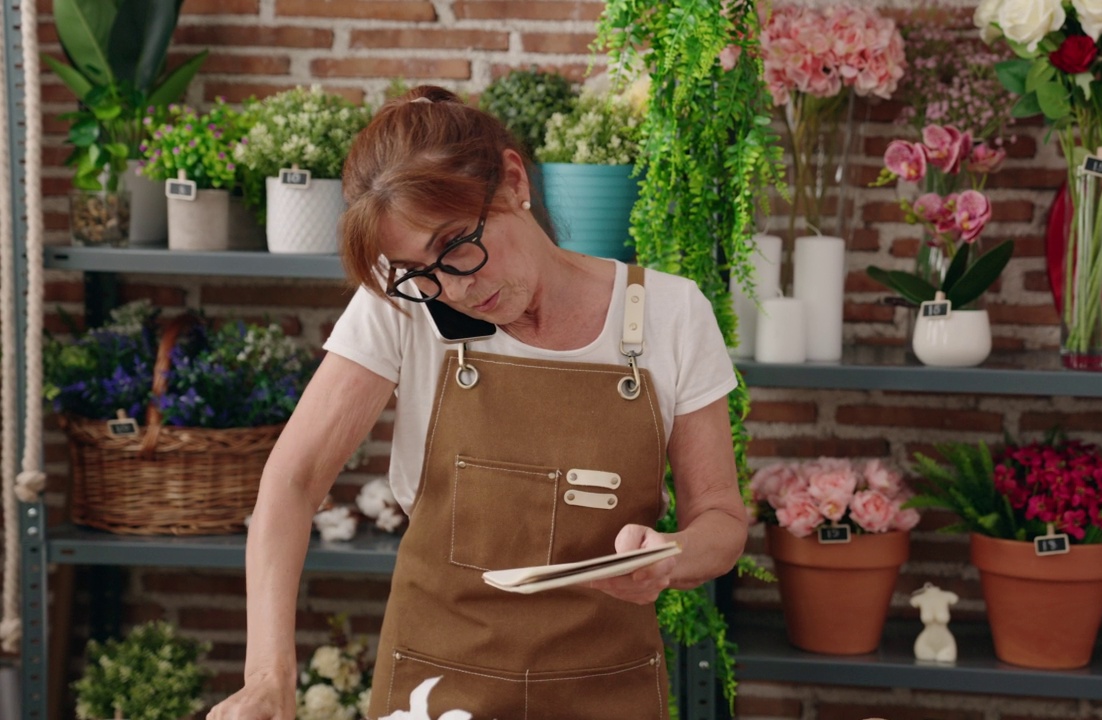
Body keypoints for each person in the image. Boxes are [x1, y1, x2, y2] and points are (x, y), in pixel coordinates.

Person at [208, 84, 748, 720]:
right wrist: (268, 677)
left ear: (514, 181)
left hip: (605, 689)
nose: (453, 288)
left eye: (457, 244)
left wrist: (670, 557)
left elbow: (721, 519)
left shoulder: (670, 312)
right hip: (433, 687)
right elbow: (293, 481)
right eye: (419, 270)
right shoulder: (401, 302)